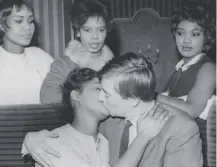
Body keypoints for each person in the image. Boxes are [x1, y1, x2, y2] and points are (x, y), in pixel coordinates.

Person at [22, 52, 202, 167]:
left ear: (132, 99)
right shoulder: (109, 120)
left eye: (106, 93)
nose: (101, 98)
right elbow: (71, 125)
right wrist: (29, 141)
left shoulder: (181, 129)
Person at [40, 0, 114, 104]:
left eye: (101, 30)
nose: (95, 36)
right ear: (78, 31)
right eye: (87, 30)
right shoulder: (64, 64)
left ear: (107, 31)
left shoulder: (114, 65)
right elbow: (48, 97)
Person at [157, 1, 216, 119]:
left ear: (206, 37)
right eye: (180, 33)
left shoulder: (208, 69)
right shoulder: (180, 67)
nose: (186, 40)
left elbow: (192, 111)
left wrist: (153, 96)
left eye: (195, 34)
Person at [0, 0, 53, 105]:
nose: (28, 27)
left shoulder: (41, 57)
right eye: (19, 21)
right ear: (1, 26)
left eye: (31, 21)